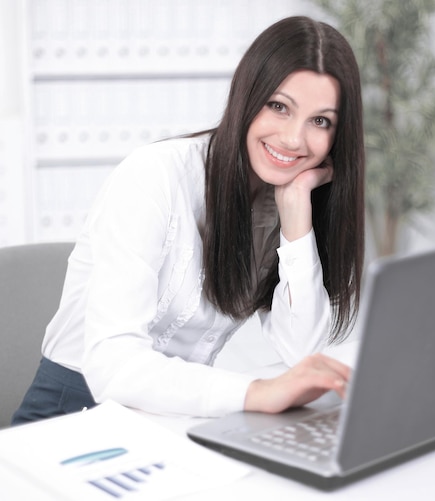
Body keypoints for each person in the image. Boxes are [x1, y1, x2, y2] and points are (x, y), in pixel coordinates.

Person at [11, 15, 365, 425]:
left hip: (171, 420)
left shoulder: (288, 195)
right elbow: (114, 367)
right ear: (247, 97)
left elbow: (302, 352)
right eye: (279, 106)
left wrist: (297, 216)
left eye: (320, 121)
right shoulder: (154, 176)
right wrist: (256, 392)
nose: (293, 139)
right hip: (71, 415)